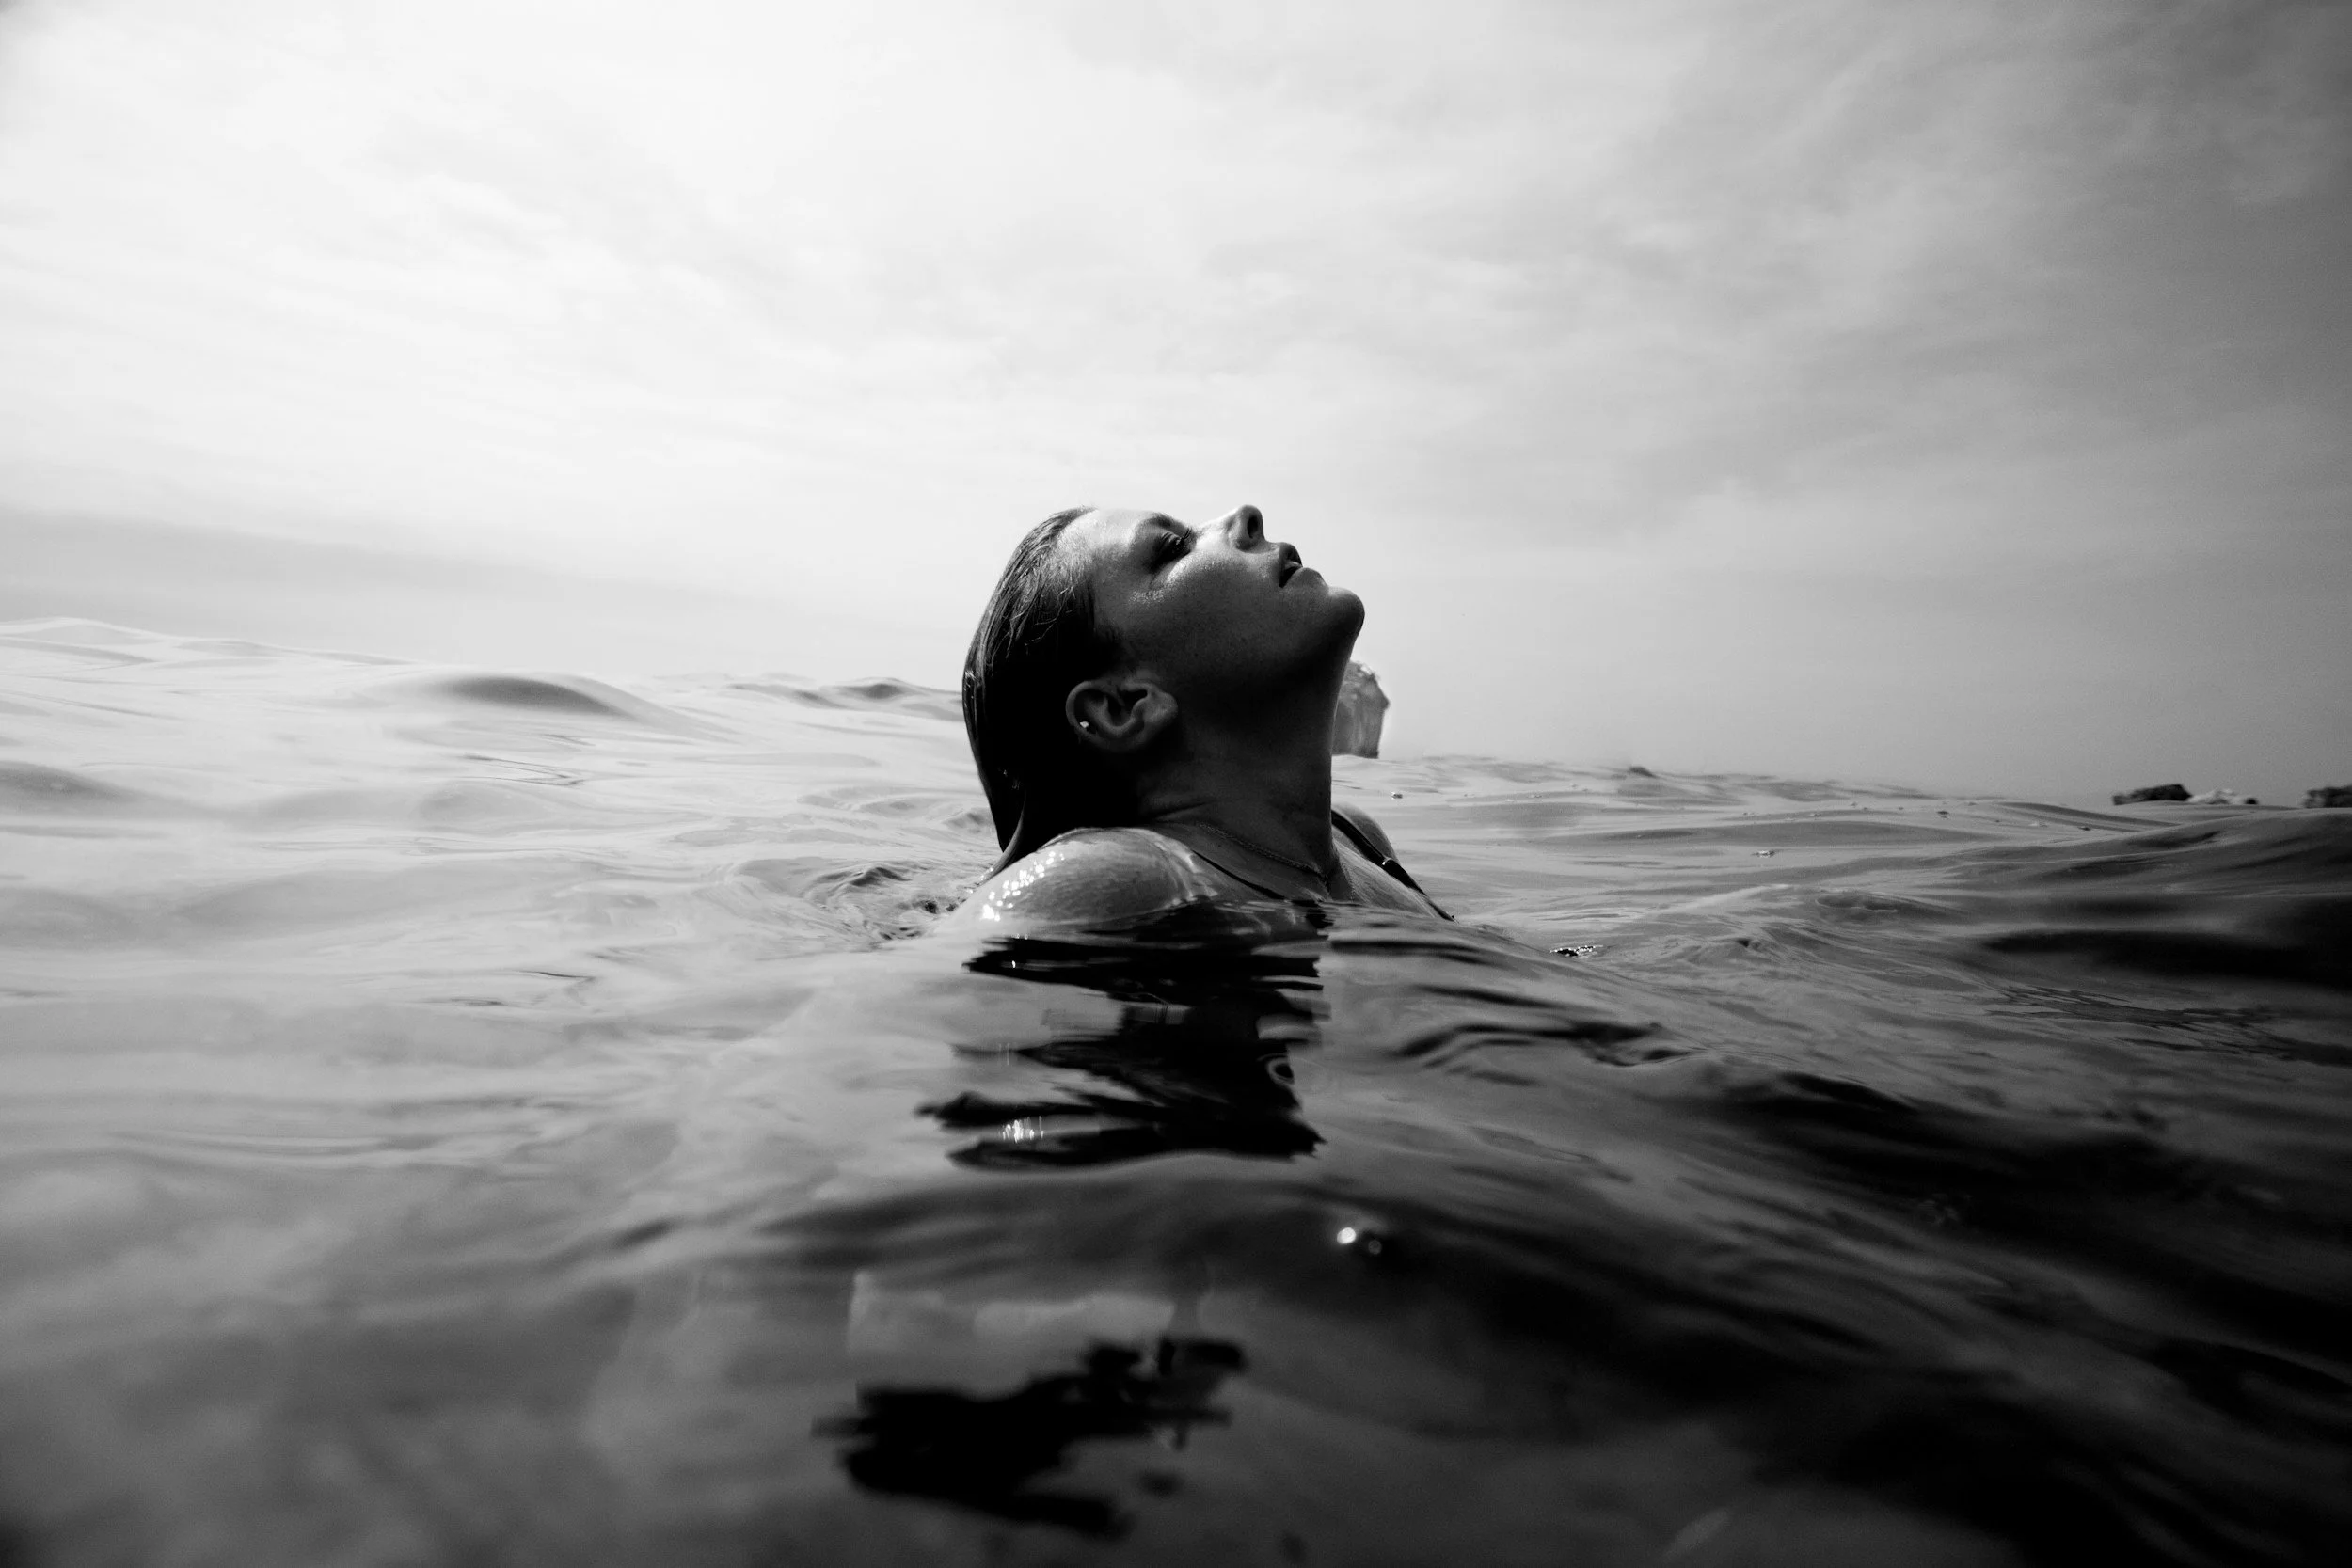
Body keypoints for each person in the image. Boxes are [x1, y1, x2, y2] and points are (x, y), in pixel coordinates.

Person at [946, 504, 1449, 928]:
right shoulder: (1123, 875)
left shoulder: (1355, 839)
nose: (1245, 518)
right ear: (1121, 708)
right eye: (1174, 549)